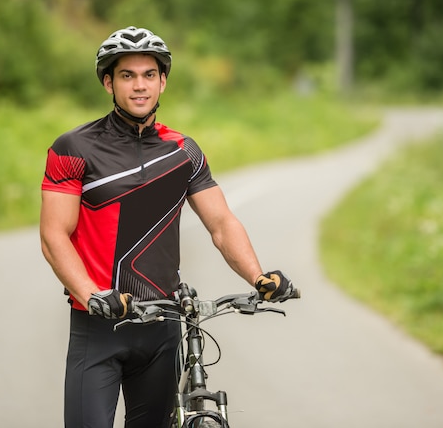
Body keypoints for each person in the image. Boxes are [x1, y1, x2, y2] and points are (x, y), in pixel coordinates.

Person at [39, 26, 293, 428]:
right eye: (127, 75)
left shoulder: (183, 151)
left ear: (162, 82)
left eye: (149, 75)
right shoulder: (74, 149)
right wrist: (91, 295)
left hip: (164, 326)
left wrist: (258, 276)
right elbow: (54, 237)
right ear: (109, 82)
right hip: (100, 324)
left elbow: (222, 223)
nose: (139, 86)